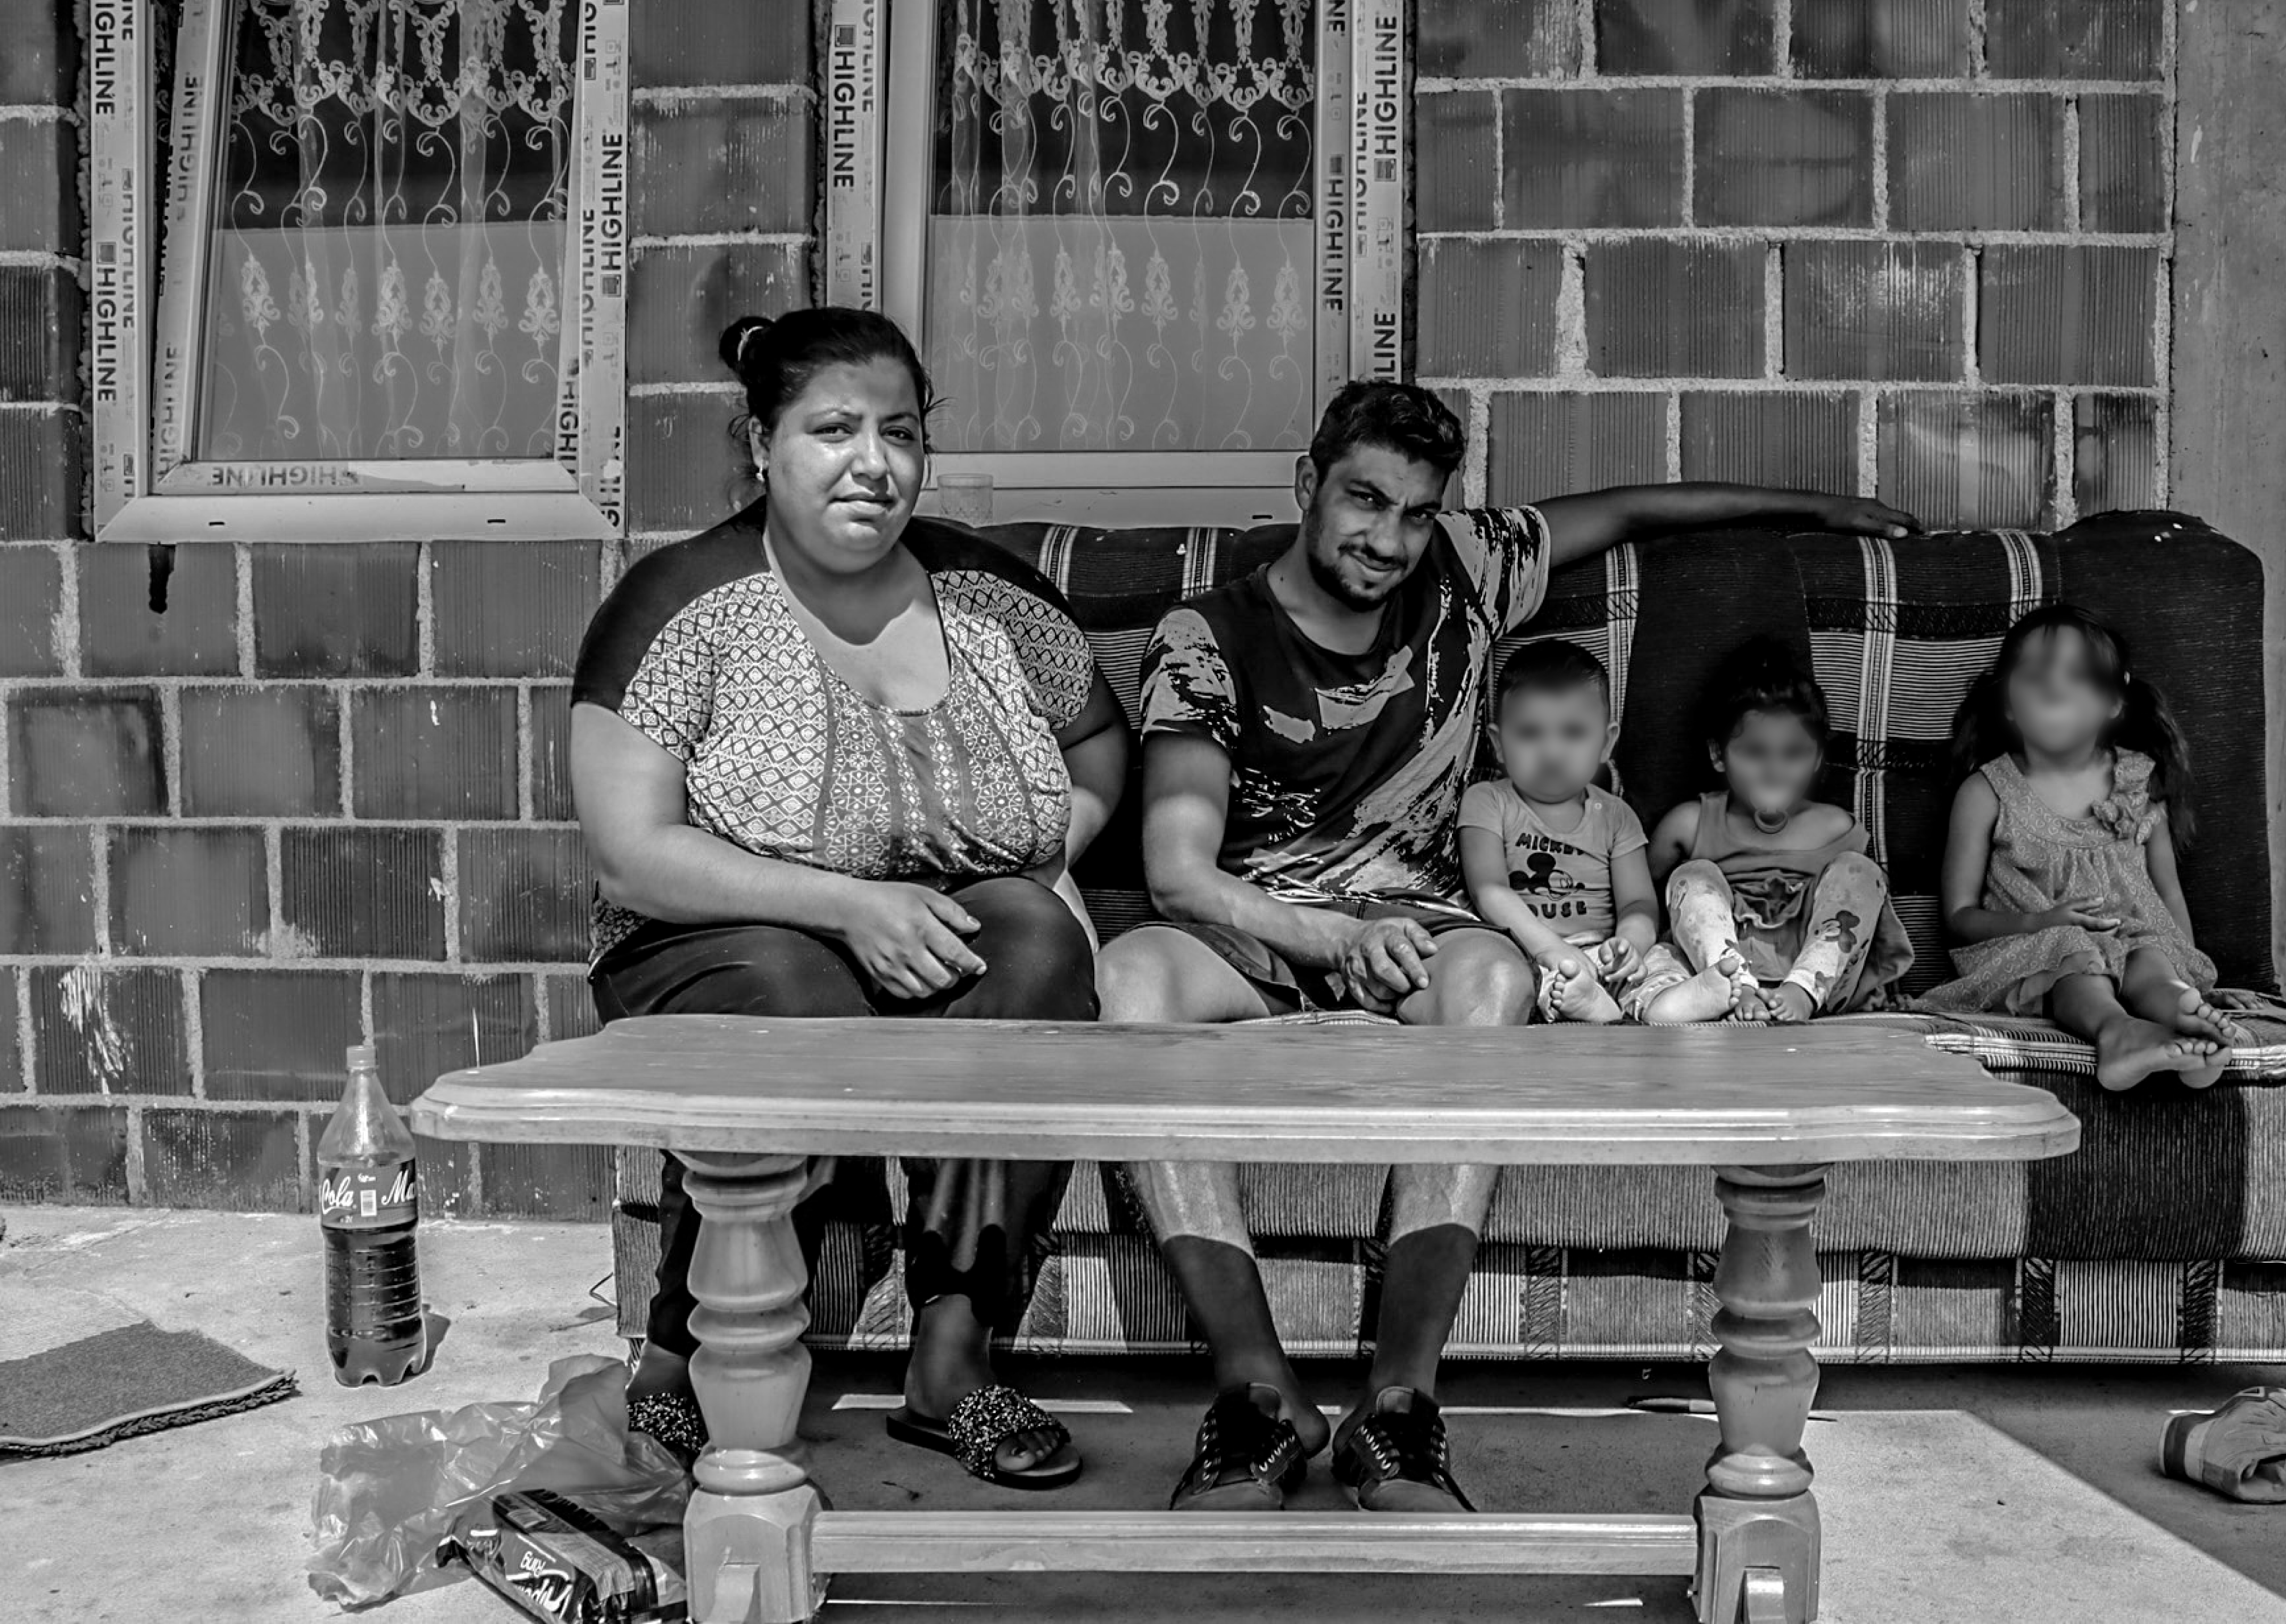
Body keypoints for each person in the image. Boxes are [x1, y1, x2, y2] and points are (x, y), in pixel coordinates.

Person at [1096, 379, 1917, 1513]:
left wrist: (1816, 508)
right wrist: (1334, 934)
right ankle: (1256, 1392)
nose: (1389, 539)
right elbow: (1180, 872)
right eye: (1363, 500)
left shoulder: (1464, 571)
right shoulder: (1209, 636)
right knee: (1131, 973)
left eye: (1416, 511)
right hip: (1258, 928)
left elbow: (1628, 508)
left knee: (1492, 970)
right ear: (1307, 484)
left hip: (1426, 931)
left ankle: (1399, 1404)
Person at [569, 307, 1127, 1489]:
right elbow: (630, 854)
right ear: (760, 443)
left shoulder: (987, 593)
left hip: (932, 935)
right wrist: (846, 905)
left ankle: (953, 1358)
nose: (873, 462)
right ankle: (681, 1353)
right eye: (833, 429)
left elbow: (1096, 744)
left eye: (900, 431)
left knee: (1034, 944)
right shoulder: (679, 602)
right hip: (714, 943)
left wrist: (1035, 861)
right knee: (797, 986)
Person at [1916, 602, 2243, 1089]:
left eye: (2078, 674)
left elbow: (2167, 893)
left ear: (2113, 702)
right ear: (2008, 705)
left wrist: (2193, 975)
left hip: (2132, 942)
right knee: (2072, 950)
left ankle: (2181, 1014)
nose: (2054, 686)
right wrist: (2041, 922)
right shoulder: (1986, 791)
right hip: (2031, 951)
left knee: (2149, 953)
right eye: (2034, 674)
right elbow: (1959, 918)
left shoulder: (2138, 782)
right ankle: (2117, 1032)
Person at [1632, 644, 1913, 1023]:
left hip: (1819, 980)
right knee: (1691, 875)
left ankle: (1802, 991)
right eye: (1754, 752)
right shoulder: (1690, 823)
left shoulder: (1837, 827)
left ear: (1817, 758)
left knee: (1861, 871)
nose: (1774, 771)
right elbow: (1641, 896)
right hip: (1713, 970)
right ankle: (1734, 987)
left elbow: (1860, 916)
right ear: (1718, 755)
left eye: (1793, 754)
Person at [1459, 640, 1657, 1023]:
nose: (1552, 752)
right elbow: (1489, 891)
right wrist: (1552, 950)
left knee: (1657, 964)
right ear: (1499, 744)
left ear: (1606, 743)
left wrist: (1629, 946)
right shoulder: (1488, 802)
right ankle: (1588, 1002)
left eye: (1573, 733)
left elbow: (1638, 903)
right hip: (1526, 948)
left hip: (1602, 951)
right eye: (1530, 733)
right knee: (1509, 979)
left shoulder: (1616, 816)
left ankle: (1667, 999)